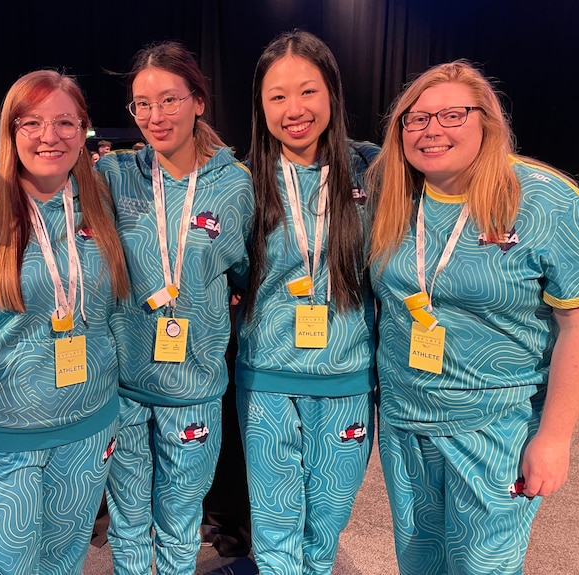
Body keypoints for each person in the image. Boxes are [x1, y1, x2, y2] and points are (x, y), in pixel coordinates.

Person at [367, 60, 579, 575]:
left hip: (496, 429)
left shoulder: (546, 201)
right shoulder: (394, 196)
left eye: (452, 114)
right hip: (405, 424)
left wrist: (555, 439)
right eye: (416, 118)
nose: (432, 130)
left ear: (486, 122)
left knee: (483, 567)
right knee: (420, 562)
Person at [0, 70, 129, 575]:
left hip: (87, 428)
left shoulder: (101, 201)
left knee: (63, 565)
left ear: (84, 129)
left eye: (66, 122)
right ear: (10, 129)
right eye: (32, 122)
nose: (49, 136)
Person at [94, 41, 254, 575]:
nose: (155, 117)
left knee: (181, 517)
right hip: (125, 385)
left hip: (195, 387)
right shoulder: (115, 176)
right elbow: (41, 182)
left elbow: (245, 272)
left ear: (199, 100)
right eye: (142, 104)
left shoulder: (235, 185)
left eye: (169, 100)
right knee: (129, 519)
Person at [235, 30, 378, 575]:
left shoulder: (372, 171)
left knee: (325, 528)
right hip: (268, 379)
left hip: (346, 379)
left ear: (332, 95)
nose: (294, 110)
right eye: (277, 96)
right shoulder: (242, 181)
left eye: (307, 92)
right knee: (274, 529)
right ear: (261, 106)